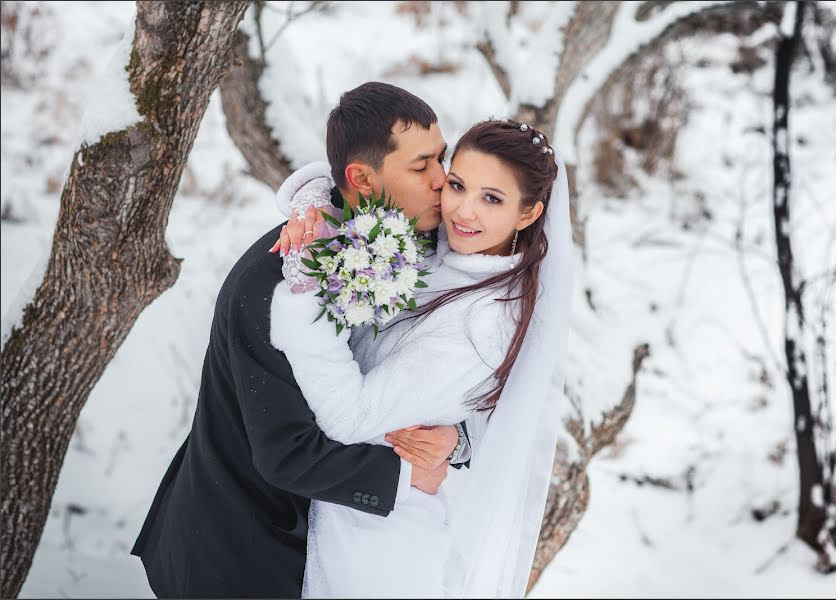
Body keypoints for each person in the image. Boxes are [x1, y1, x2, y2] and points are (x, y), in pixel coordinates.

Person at [130, 82, 475, 599]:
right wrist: (411, 477)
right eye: (421, 165)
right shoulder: (274, 286)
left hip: (343, 551)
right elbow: (287, 455)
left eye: (441, 158)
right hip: (243, 553)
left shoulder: (418, 236)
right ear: (361, 177)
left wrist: (456, 439)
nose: (441, 181)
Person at [270, 116, 573, 597]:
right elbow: (361, 176)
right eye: (457, 185)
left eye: (491, 199)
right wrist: (311, 203)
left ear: (528, 214)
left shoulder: (485, 319)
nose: (463, 212)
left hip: (379, 550)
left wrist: (301, 300)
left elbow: (353, 418)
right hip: (344, 520)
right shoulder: (437, 245)